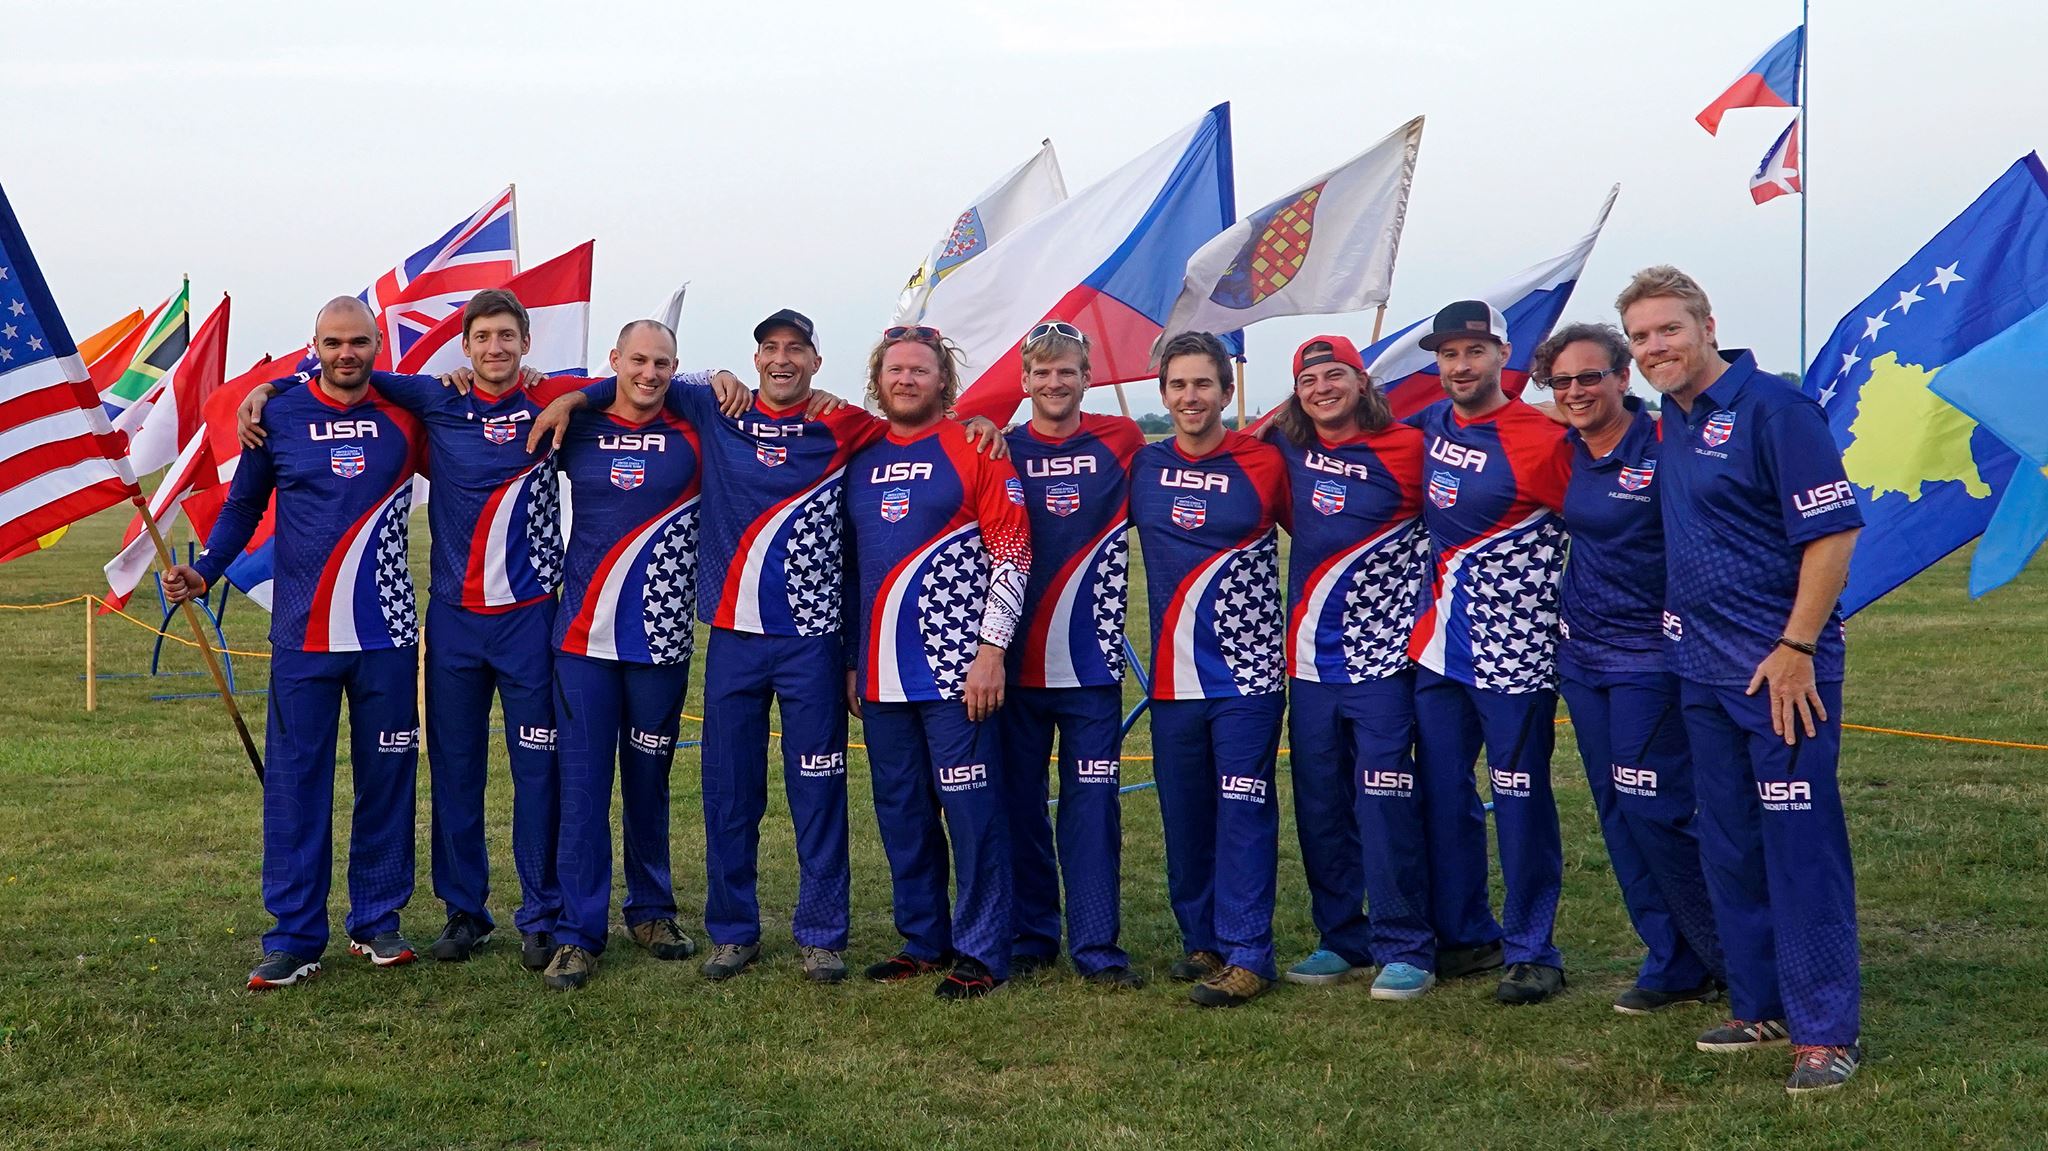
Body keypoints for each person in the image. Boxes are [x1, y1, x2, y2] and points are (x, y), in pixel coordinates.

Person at [237, 290, 730, 972]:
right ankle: (465, 909)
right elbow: (346, 374)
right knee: (456, 771)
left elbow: (634, 384)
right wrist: (270, 385)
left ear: (527, 346)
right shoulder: (434, 400)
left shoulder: (554, 398)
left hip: (532, 621)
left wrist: (705, 378)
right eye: (483, 337)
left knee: (540, 772)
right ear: (464, 347)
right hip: (454, 625)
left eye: (507, 336)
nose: (495, 348)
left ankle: (541, 913)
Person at [528, 308, 1006, 984]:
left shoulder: (848, 424)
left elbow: (923, 424)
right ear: (754, 360)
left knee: (817, 791)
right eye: (770, 349)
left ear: (816, 362)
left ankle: (821, 935)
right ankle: (733, 931)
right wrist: (583, 393)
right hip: (732, 640)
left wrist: (981, 423)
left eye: (797, 350)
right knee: (730, 792)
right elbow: (638, 381)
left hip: (811, 644)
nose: (782, 359)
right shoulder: (715, 404)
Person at [1617, 266, 1864, 1094]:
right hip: (1698, 667)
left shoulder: (1776, 409)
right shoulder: (1672, 420)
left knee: (1800, 848)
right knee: (1728, 843)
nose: (1656, 347)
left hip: (1780, 671)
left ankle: (1826, 1030)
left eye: (1668, 331)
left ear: (1706, 324)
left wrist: (1797, 645)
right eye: (1642, 337)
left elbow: (1832, 535)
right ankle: (1758, 1001)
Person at [163, 297, 428, 989]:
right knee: (295, 785)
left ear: (378, 345)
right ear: (314, 344)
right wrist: (206, 568)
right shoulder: (276, 415)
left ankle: (377, 921)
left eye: (360, 342)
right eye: (334, 341)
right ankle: (294, 936)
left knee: (387, 781)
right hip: (303, 634)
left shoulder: (408, 415)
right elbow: (244, 505)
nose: (348, 353)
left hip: (387, 633)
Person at [1533, 321, 1726, 1015]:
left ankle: (1727, 951)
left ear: (1623, 377)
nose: (1577, 390)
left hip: (1654, 655)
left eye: (1591, 376)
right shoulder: (1568, 450)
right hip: (1584, 657)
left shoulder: (1667, 441)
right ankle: (1670, 957)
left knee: (1658, 806)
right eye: (1563, 381)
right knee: (1617, 811)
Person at [843, 324, 1030, 1000]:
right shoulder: (860, 454)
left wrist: (991, 652)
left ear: (943, 382)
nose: (907, 380)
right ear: (879, 379)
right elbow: (852, 569)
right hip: (881, 675)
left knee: (974, 809)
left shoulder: (975, 445)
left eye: (920, 370)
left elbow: (1013, 552)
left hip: (957, 673)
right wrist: (850, 662)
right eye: (895, 369)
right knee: (901, 809)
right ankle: (923, 938)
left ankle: (983, 949)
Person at [1406, 300, 1574, 1005]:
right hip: (1439, 648)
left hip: (1515, 656)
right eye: (1447, 354)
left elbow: (1593, 527)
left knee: (1519, 797)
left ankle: (1533, 947)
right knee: (1444, 796)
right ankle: (1468, 932)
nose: (1459, 365)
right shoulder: (1433, 424)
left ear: (1502, 353)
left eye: (1473, 351)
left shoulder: (1541, 438)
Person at [1265, 335, 1434, 998]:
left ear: (1362, 382)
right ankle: (1342, 934)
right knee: (1321, 805)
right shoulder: (1286, 447)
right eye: (1310, 379)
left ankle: (1406, 943)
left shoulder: (1410, 448)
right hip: (1307, 662)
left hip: (1383, 663)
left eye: (1335, 375)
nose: (1322, 387)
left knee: (1386, 800)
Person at [539, 320, 706, 990]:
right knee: (581, 789)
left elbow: (723, 397)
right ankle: (579, 932)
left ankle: (651, 909)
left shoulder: (695, 429)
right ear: (613, 361)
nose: (650, 372)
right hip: (582, 641)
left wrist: (712, 380)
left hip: (659, 641)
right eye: (637, 360)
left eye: (663, 362)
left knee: (648, 782)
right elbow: (525, 395)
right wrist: (579, 397)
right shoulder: (573, 426)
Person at [1129, 330, 1289, 1008]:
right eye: (1178, 385)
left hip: (1249, 677)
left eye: (1202, 384)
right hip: (1172, 679)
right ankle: (1203, 940)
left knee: (1243, 807)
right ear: (1163, 394)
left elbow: (1324, 534)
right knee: (1185, 812)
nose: (1190, 396)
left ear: (1226, 390)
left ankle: (1250, 950)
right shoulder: (1142, 465)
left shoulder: (1267, 462)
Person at [998, 320, 1147, 989]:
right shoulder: (998, 447)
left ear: (1089, 377)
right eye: (1042, 371)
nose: (1055, 382)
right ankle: (1033, 934)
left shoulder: (1122, 440)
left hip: (1089, 669)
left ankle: (1096, 945)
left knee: (1092, 808)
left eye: (1068, 371)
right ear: (1025, 379)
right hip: (1013, 668)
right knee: (1020, 806)